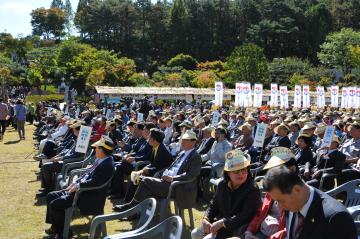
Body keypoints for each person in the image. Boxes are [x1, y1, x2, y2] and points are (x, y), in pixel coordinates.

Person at [113, 130, 201, 213]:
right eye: (183, 139)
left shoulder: (195, 156)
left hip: (177, 187)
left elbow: (191, 175)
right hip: (166, 181)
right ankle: (137, 213)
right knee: (143, 183)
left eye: (186, 140)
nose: (183, 142)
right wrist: (160, 174)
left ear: (193, 142)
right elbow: (170, 167)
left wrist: (172, 178)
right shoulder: (182, 153)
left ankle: (131, 206)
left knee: (145, 181)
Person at [44, 135, 115, 239]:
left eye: (97, 148)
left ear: (102, 150)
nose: (95, 149)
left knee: (55, 204)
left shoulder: (107, 164)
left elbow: (95, 182)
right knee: (50, 195)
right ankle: (56, 228)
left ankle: (63, 234)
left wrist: (78, 185)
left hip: (87, 196)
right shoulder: (102, 160)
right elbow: (88, 175)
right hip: (83, 191)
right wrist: (76, 182)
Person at [263, 166, 356, 239]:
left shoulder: (337, 218)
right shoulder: (293, 202)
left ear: (296, 189)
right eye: (276, 201)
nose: (280, 207)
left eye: (281, 201)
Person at [192, 149, 261, 239]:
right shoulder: (222, 184)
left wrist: (223, 223)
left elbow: (245, 215)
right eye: (236, 171)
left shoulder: (253, 189)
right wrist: (206, 219)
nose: (241, 174)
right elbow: (214, 204)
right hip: (219, 223)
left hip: (237, 230)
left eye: (244, 170)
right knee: (195, 233)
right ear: (228, 173)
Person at [243, 147, 298, 239]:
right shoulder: (274, 188)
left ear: (292, 169)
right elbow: (260, 212)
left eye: (278, 169)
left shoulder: (298, 196)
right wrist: (249, 231)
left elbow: (290, 230)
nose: (273, 173)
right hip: (261, 231)